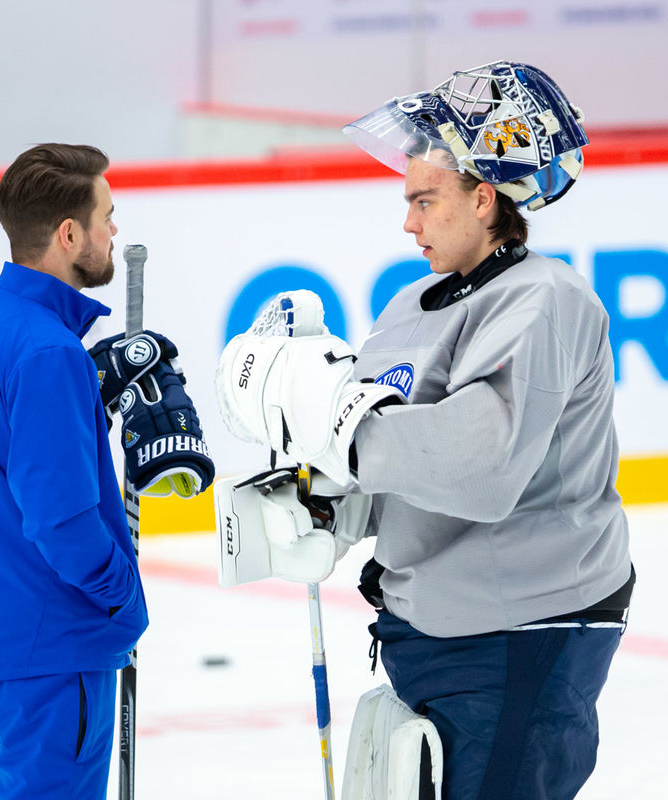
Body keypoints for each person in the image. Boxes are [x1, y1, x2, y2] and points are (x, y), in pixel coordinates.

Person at [217, 62, 634, 799]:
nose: (407, 221)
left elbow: (482, 465)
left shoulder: (545, 302)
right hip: (429, 630)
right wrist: (327, 507)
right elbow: (388, 460)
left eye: (423, 199)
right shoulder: (412, 306)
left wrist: (342, 433)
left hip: (521, 633)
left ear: (482, 198)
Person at [0, 143, 211, 799]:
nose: (115, 231)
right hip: (52, 655)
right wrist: (123, 602)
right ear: (68, 233)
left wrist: (92, 396)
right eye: (107, 216)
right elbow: (62, 522)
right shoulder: (47, 352)